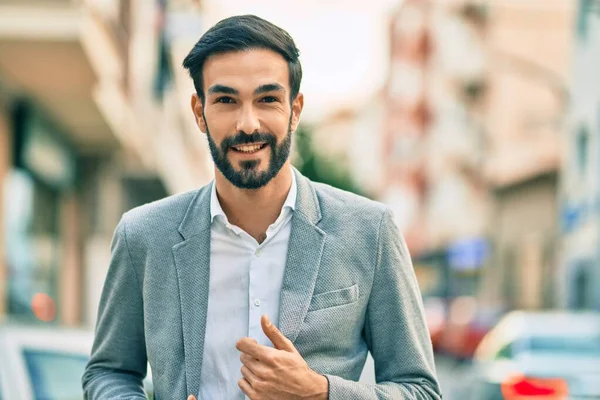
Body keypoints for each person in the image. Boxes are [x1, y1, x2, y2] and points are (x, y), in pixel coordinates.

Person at [82, 14, 441, 400]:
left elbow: (419, 390)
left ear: (296, 109)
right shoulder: (144, 236)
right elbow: (109, 372)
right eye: (226, 100)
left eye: (267, 99)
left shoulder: (369, 231)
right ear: (199, 112)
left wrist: (320, 392)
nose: (248, 123)